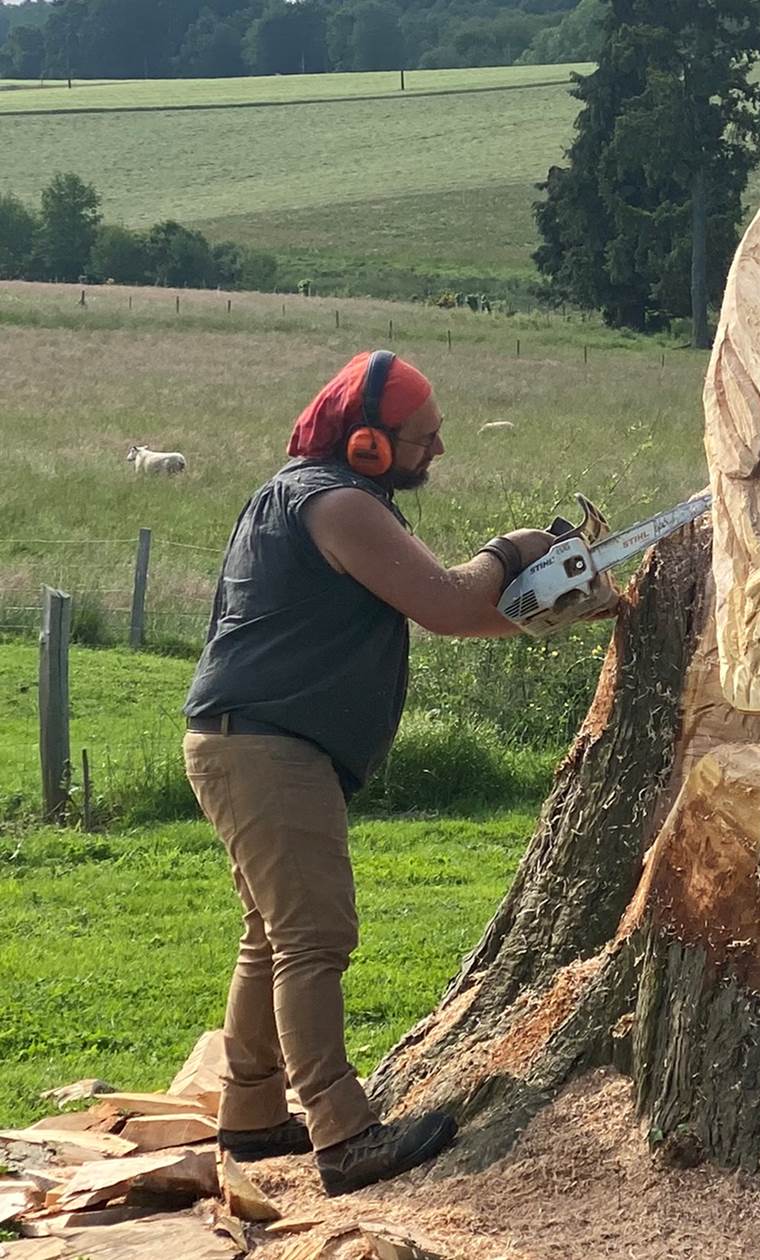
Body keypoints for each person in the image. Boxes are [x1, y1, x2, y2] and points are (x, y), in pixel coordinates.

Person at [182, 350, 563, 1196]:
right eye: (422, 439)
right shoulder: (337, 503)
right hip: (269, 745)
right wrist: (513, 550)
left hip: (250, 739)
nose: (436, 452)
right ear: (367, 444)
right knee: (316, 938)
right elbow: (452, 601)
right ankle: (342, 1134)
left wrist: (546, 610)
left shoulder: (317, 495)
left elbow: (452, 613)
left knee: (273, 933)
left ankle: (249, 1114)